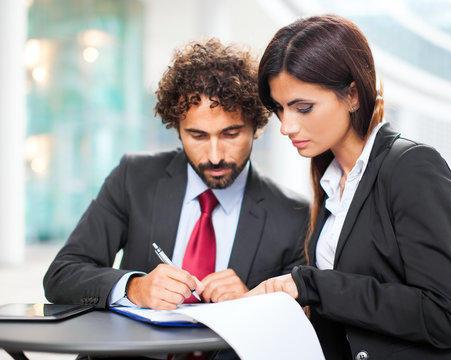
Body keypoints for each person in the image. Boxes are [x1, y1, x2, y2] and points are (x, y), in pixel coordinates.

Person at [247, 15, 451, 360]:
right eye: (279, 109)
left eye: (303, 108)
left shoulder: (413, 168)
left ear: (352, 94)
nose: (286, 126)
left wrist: (311, 285)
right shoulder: (333, 181)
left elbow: (444, 316)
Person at [43, 38, 309, 312]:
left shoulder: (293, 214)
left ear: (256, 125)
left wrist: (253, 305)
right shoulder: (133, 178)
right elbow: (61, 275)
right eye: (197, 136)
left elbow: (302, 322)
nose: (215, 155)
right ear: (177, 129)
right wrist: (134, 288)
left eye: (230, 134)